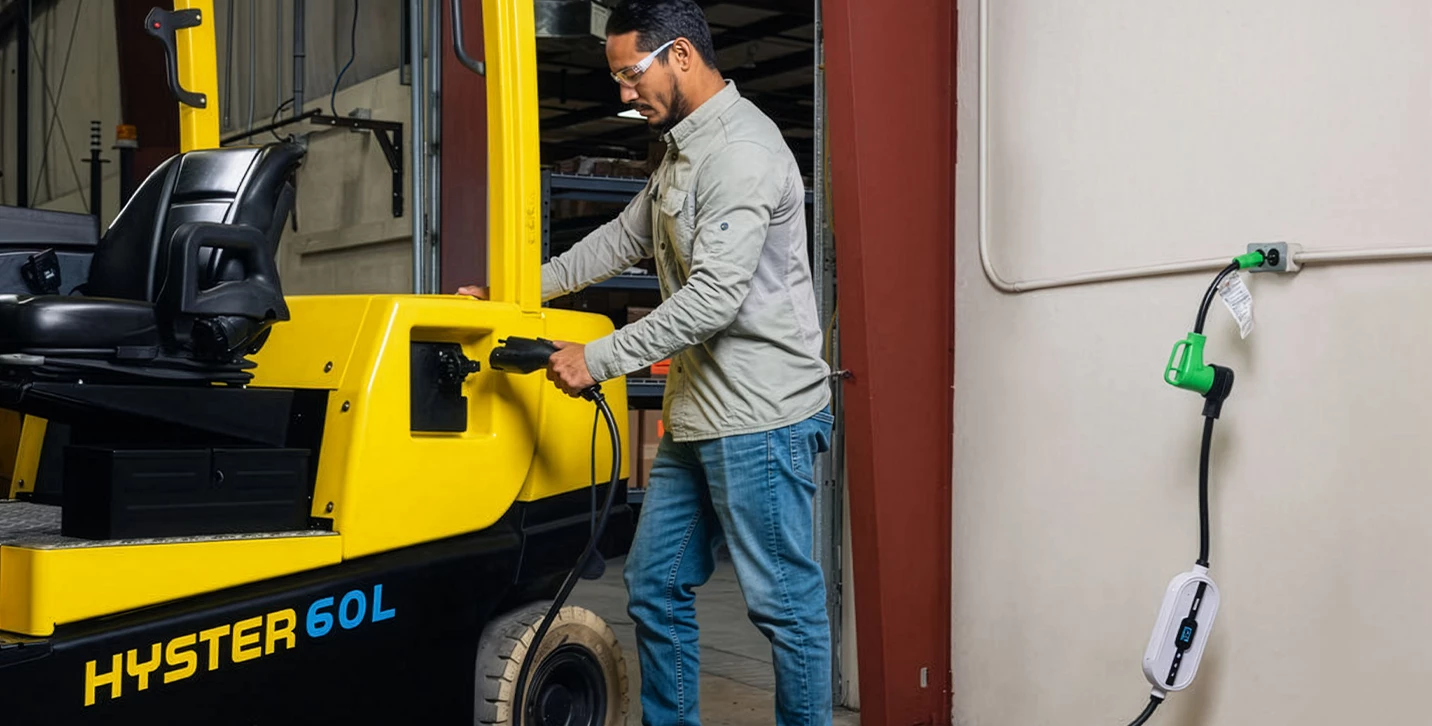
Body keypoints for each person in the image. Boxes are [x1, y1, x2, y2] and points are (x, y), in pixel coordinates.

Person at [460, 1, 833, 723]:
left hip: (761, 420)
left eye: (632, 74)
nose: (624, 92)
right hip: (699, 416)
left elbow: (713, 299)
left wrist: (597, 359)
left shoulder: (742, 154)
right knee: (655, 584)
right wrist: (505, 291)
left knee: (786, 608)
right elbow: (615, 242)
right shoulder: (684, 153)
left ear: (682, 57)